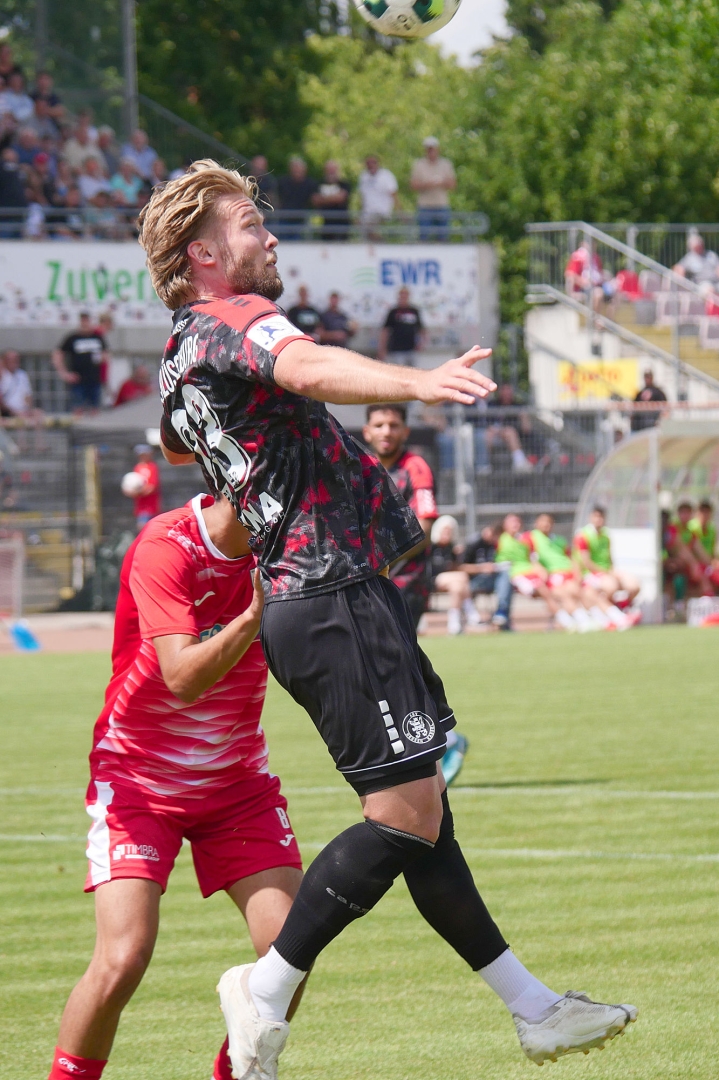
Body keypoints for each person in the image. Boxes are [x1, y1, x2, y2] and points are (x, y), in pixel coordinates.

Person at [138, 160, 637, 1077]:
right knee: (404, 813)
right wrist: (418, 380)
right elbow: (304, 363)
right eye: (249, 224)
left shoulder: (179, 351)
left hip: (318, 596)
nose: (269, 235)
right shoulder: (238, 316)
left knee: (422, 813)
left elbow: (177, 440)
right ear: (202, 253)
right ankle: (264, 987)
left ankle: (534, 1008)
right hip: (326, 589)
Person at [44, 492, 305, 1080]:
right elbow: (182, 676)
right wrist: (251, 619)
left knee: (290, 951)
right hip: (138, 780)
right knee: (122, 959)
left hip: (238, 784)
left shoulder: (292, 545)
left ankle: (231, 1072)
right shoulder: (166, 545)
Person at [361, 404, 468, 785]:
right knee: (385, 661)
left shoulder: (415, 466)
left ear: (405, 431)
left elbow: (423, 528)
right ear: (367, 431)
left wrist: (378, 559)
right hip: (373, 578)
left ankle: (441, 740)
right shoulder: (359, 466)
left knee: (395, 660)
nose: (386, 431)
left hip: (406, 580)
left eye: (394, 424)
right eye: (379, 424)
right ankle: (437, 739)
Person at [573, 506, 641, 609]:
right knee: (611, 587)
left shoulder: (606, 535)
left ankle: (621, 607)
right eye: (596, 516)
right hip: (592, 573)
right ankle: (609, 610)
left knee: (634, 585)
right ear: (590, 517)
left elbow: (609, 558)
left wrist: (612, 571)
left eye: (601, 517)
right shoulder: (583, 535)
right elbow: (586, 562)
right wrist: (606, 572)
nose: (598, 519)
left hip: (607, 571)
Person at [428, 514, 482, 636]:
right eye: (445, 531)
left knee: (457, 587)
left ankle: (454, 624)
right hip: (432, 579)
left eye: (450, 531)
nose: (447, 534)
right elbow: (437, 567)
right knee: (462, 576)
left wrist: (458, 555)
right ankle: (471, 613)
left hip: (450, 580)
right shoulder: (431, 546)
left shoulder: (450, 548)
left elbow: (454, 566)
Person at [459, 523, 513, 630]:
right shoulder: (473, 544)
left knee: (506, 576)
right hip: (473, 581)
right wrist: (481, 568)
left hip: (490, 579)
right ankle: (497, 614)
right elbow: (461, 567)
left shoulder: (494, 546)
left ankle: (501, 613)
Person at [51, 313, 108, 413]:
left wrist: (100, 359)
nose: (85, 324)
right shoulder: (72, 338)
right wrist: (64, 374)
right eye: (83, 321)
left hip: (94, 380)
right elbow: (57, 355)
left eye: (87, 321)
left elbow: (105, 355)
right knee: (78, 409)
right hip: (78, 381)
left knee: (95, 409)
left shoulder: (97, 338)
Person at [410, 136, 456, 242]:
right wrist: (427, 184)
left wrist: (441, 183)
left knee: (443, 237)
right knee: (423, 237)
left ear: (437, 149)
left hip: (442, 204)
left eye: (433, 149)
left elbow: (453, 184)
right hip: (424, 205)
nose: (431, 151)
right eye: (428, 149)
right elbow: (413, 185)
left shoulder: (446, 164)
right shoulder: (419, 164)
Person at [485, 383, 533, 472]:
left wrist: (524, 418)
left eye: (508, 391)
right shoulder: (492, 404)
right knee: (487, 434)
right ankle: (485, 464)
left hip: (512, 434)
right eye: (504, 391)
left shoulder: (517, 406)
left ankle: (520, 463)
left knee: (509, 432)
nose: (506, 394)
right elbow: (488, 423)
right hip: (494, 433)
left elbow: (526, 428)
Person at [377, 287, 425, 366]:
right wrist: (382, 348)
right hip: (396, 349)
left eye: (405, 295)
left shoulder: (414, 311)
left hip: (411, 349)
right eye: (402, 295)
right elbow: (385, 331)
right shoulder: (393, 312)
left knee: (413, 370)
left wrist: (422, 343)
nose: (403, 297)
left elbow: (421, 329)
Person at [358, 154, 398, 238]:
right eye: (368, 163)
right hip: (367, 213)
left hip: (382, 212)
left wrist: (399, 212)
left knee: (372, 230)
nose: (371, 165)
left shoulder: (386, 176)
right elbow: (362, 197)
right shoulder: (363, 176)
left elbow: (393, 194)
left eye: (373, 162)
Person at [277, 156, 317, 238]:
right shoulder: (282, 182)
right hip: (285, 217)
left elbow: (314, 200)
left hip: (302, 219)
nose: (296, 170)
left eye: (298, 168)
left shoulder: (310, 184)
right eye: (294, 168)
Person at [311, 159, 351, 240]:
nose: (331, 172)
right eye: (329, 170)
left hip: (341, 222)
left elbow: (340, 198)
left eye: (333, 170)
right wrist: (333, 198)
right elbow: (315, 200)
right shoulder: (319, 184)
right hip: (325, 223)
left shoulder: (344, 184)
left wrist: (323, 199)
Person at [128, 443, 161, 528]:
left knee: (146, 527)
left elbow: (152, 487)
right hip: (140, 506)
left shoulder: (152, 467)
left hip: (150, 506)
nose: (142, 457)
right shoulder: (137, 468)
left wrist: (138, 492)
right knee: (143, 528)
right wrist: (130, 492)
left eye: (144, 454)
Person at [0, 349, 33, 417]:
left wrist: (28, 410)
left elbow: (28, 395)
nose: (14, 362)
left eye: (16, 359)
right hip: (6, 413)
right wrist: (14, 412)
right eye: (11, 360)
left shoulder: (22, 374)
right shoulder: (2, 375)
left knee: (38, 415)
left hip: (23, 411)